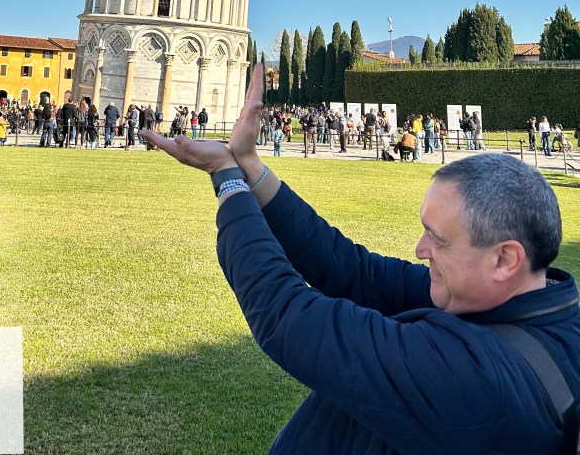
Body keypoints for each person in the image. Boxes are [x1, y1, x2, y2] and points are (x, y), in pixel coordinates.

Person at [140, 65, 580, 455]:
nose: (420, 249)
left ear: (505, 259)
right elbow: (353, 270)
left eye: (437, 238)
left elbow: (286, 314)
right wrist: (252, 168)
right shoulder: (527, 303)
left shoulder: (478, 380)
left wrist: (228, 180)